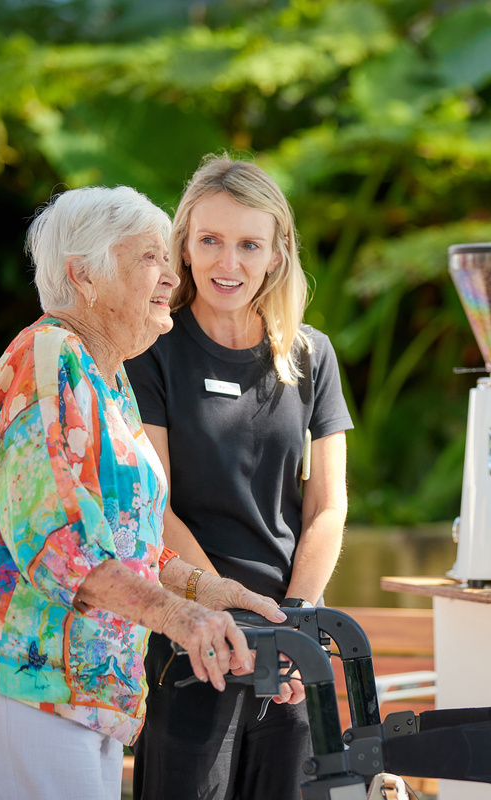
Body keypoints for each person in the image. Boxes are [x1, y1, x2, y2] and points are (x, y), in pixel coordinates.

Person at [0, 185, 288, 800]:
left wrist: (221, 597)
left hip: (67, 689)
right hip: (13, 675)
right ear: (85, 277)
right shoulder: (50, 356)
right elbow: (60, 547)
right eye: (150, 260)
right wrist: (184, 622)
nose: (173, 275)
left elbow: (127, 545)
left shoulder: (104, 377)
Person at [126, 153, 353, 800]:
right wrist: (225, 610)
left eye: (249, 244)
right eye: (211, 241)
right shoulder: (151, 351)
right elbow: (155, 508)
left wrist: (296, 622)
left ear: (278, 252)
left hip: (290, 653)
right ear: (185, 249)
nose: (230, 264)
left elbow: (327, 507)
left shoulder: (312, 355)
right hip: (193, 639)